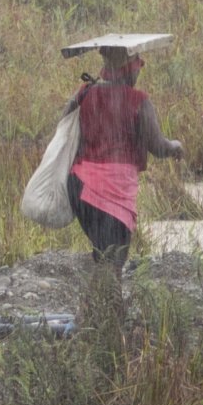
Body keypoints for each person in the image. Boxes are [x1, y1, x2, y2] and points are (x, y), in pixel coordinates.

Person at [65, 43, 182, 269]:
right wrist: (175, 145)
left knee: (103, 254)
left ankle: (97, 301)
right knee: (113, 261)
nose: (140, 70)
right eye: (137, 65)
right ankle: (108, 302)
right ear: (128, 69)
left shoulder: (84, 93)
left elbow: (64, 129)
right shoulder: (138, 101)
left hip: (79, 188)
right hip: (111, 192)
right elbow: (158, 146)